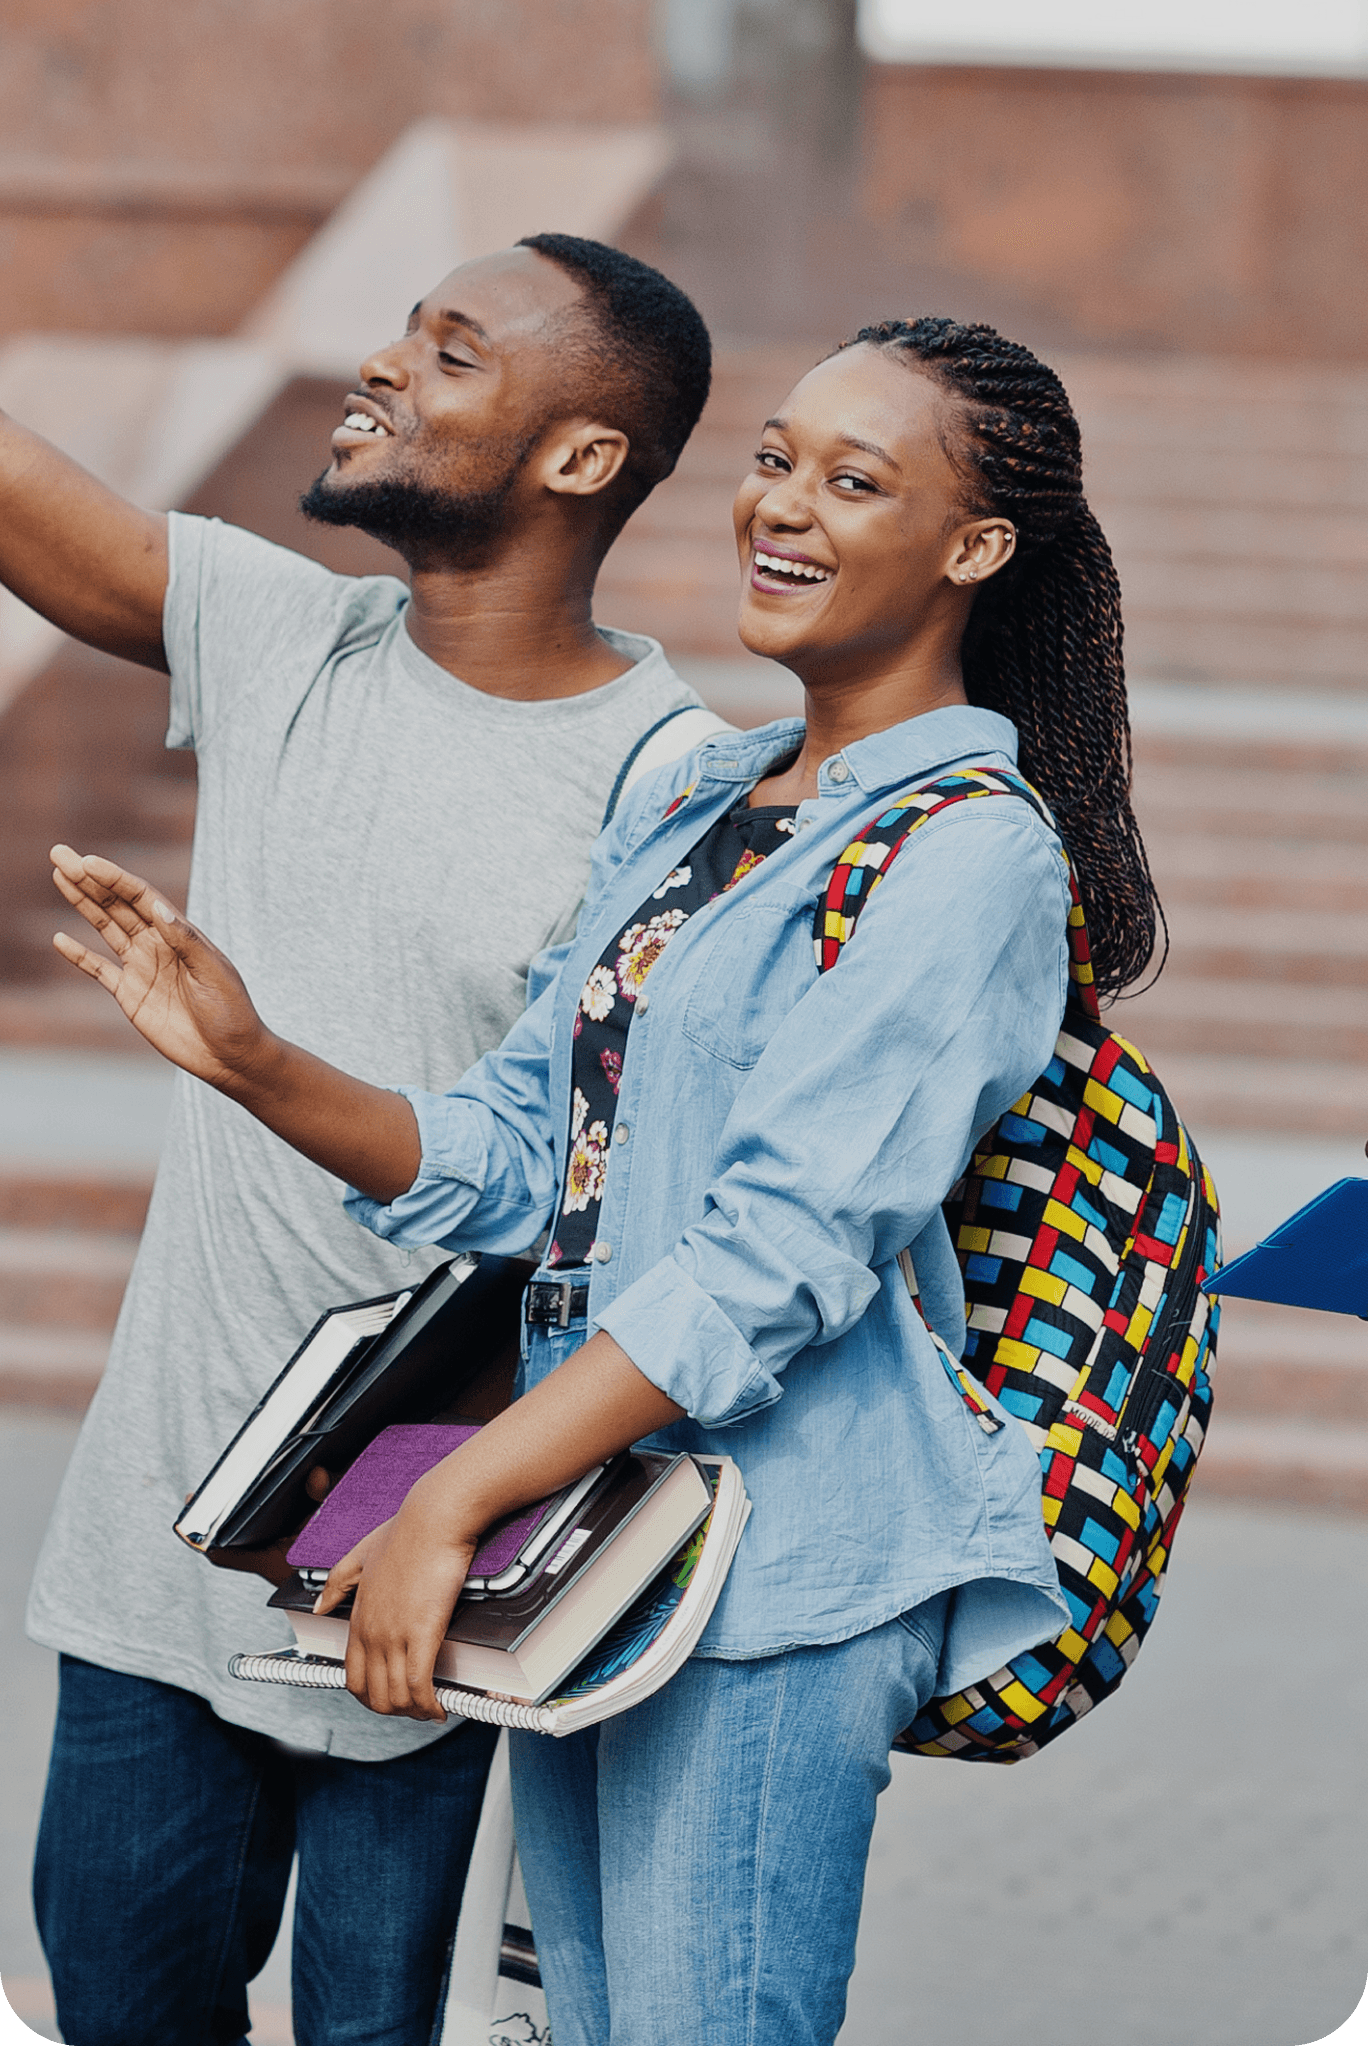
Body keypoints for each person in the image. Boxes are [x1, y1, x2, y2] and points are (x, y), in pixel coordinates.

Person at [49, 315, 1163, 2046]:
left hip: (775, 1578)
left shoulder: (972, 860)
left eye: (855, 481)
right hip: (609, 1554)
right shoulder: (714, 803)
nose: (782, 506)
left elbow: (773, 1262)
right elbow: (519, 1158)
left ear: (974, 548)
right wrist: (258, 1059)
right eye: (778, 457)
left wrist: (447, 1501)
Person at [20, 234, 714, 2046]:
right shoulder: (284, 638)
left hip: (430, 1576)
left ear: (577, 458)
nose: (387, 363)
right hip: (156, 1556)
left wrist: (454, 1515)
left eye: (454, 351)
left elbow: (628, 1204)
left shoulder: (674, 783)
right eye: (407, 327)